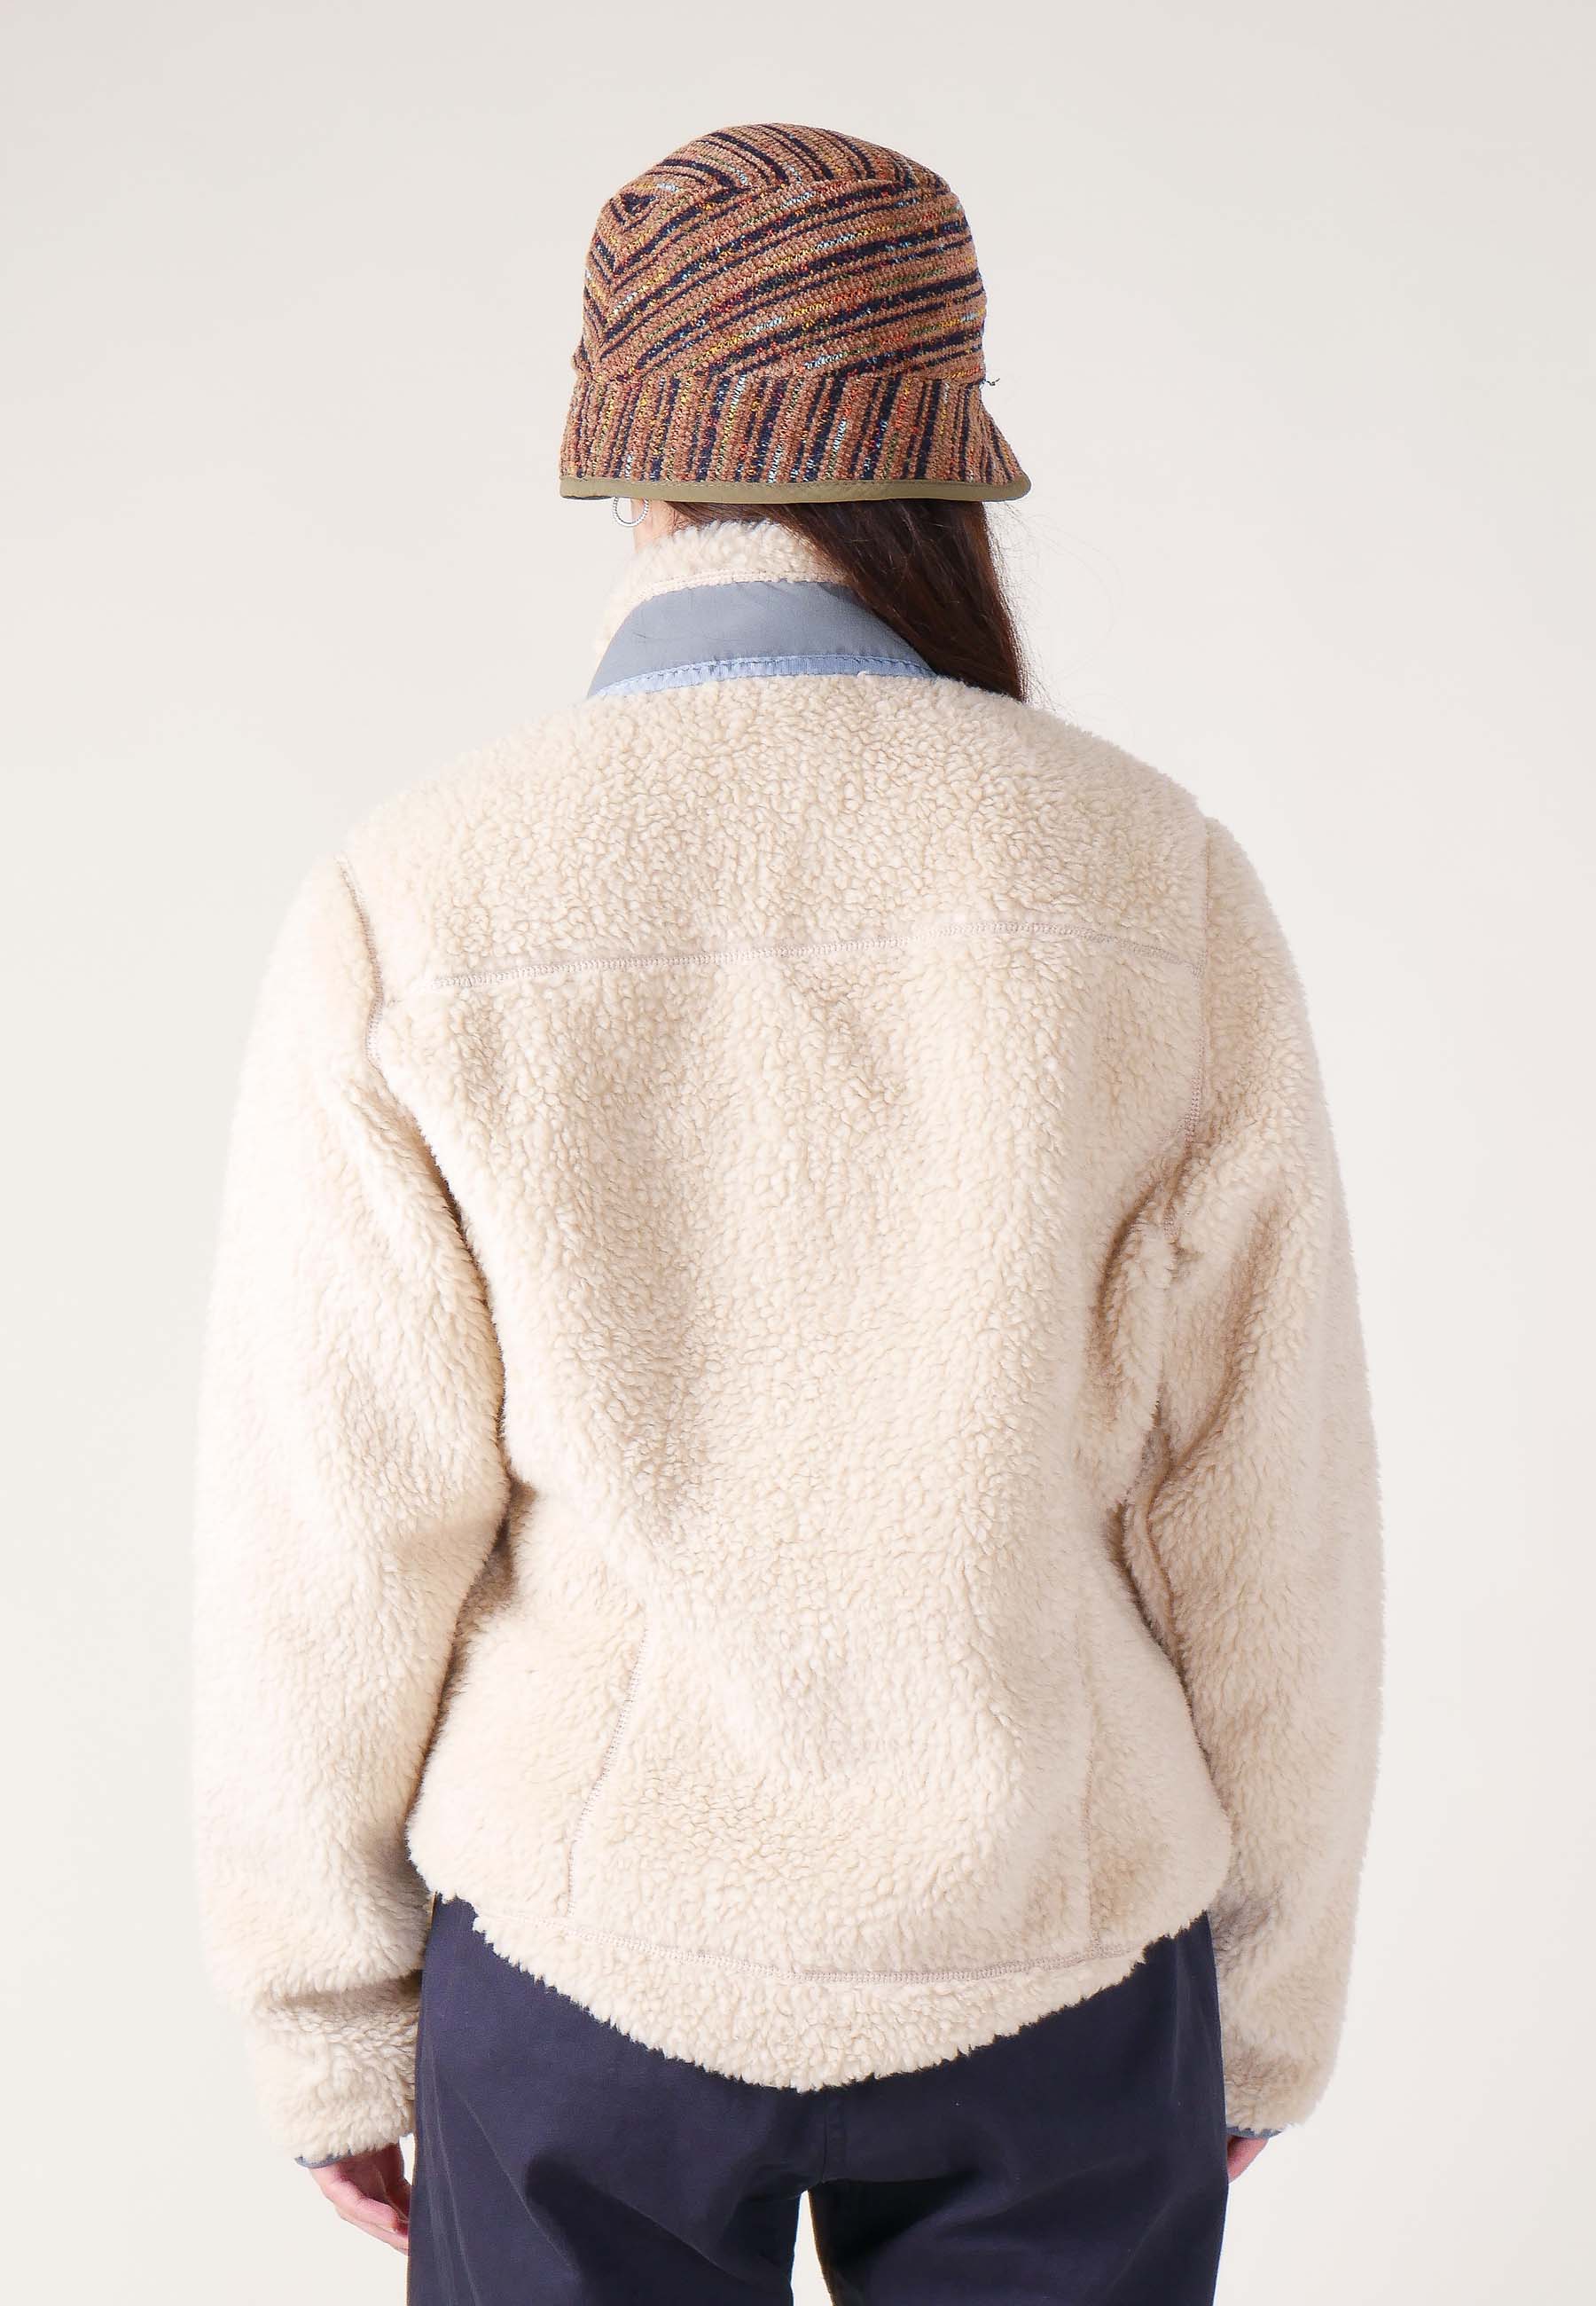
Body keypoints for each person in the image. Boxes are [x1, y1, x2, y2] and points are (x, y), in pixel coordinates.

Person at [191, 121, 1383, 2304]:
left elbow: (331, 1530)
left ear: (627, 470)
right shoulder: (1157, 884)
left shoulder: (420, 898)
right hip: (1061, 1949)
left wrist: (327, 2016)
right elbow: (1266, 1510)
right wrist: (1271, 1994)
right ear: (949, 466)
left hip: (588, 1968)